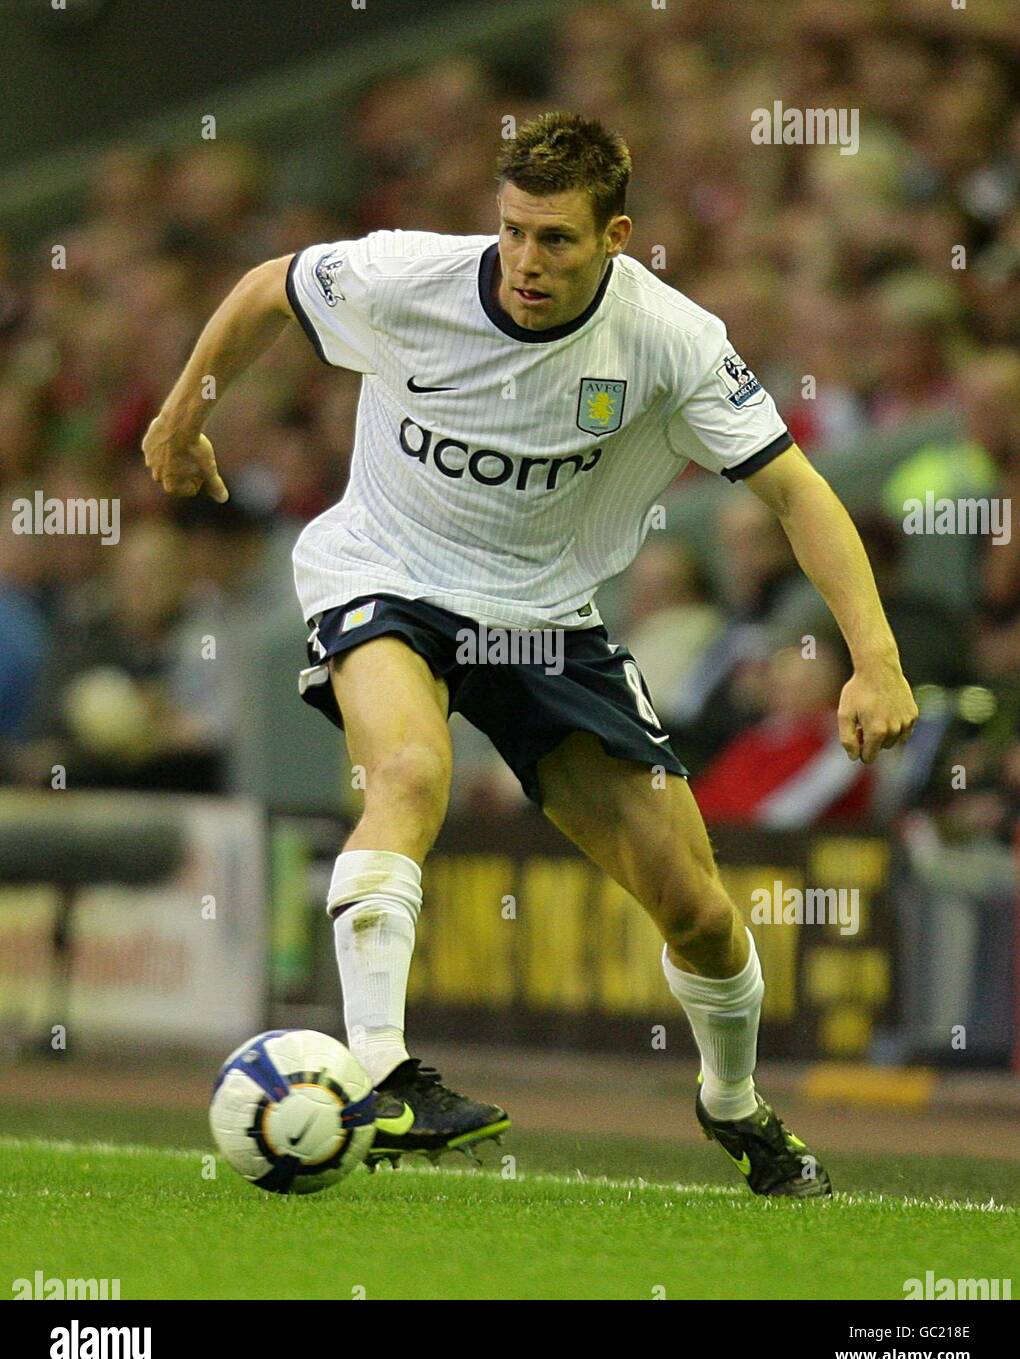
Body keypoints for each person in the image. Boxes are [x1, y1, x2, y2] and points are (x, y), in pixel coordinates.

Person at [142, 112, 918, 1198]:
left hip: (546, 622)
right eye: (512, 231)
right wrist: (185, 414)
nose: (525, 262)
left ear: (616, 235)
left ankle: (734, 1102)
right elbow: (271, 283)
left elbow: (796, 489)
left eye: (555, 239)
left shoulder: (673, 341)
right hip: (384, 575)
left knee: (695, 908)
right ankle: (381, 1070)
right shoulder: (408, 276)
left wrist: (875, 659)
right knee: (408, 773)